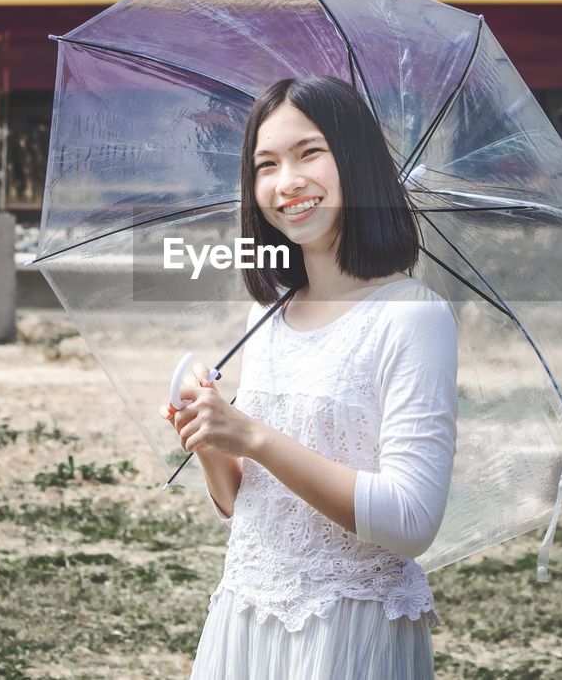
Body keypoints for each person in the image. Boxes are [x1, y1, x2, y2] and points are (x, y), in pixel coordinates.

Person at [157, 75, 459, 679]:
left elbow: (411, 521)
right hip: (246, 622)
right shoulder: (265, 316)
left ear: (356, 163)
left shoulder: (411, 316)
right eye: (265, 164)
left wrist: (255, 437)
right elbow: (249, 506)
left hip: (347, 633)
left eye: (309, 153)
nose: (286, 181)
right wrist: (212, 438)